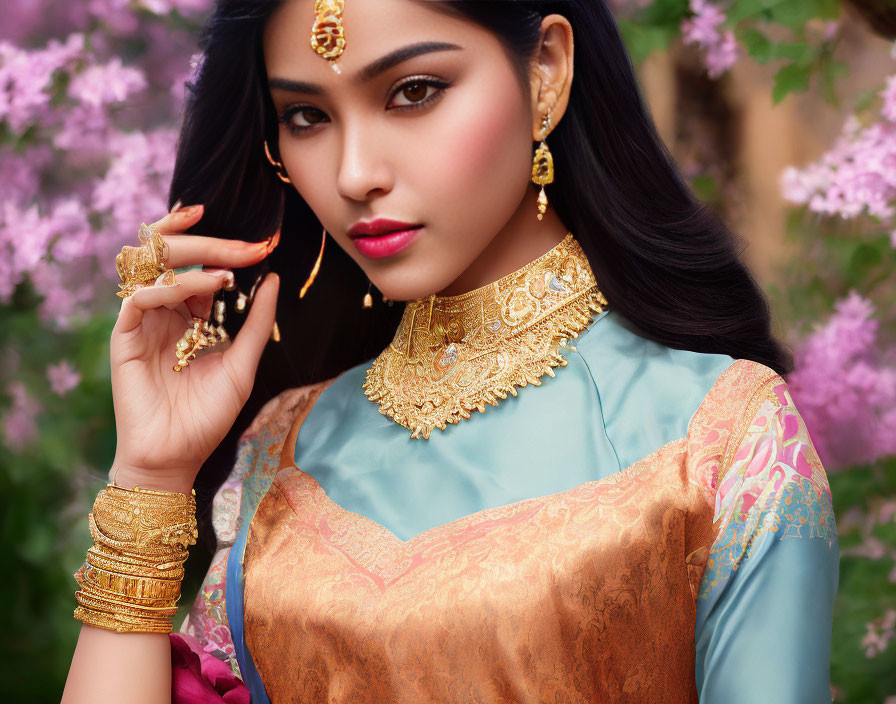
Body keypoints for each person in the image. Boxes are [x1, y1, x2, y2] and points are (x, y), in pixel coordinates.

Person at [61, 0, 840, 702]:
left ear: (546, 73)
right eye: (305, 116)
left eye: (414, 92)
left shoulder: (724, 438)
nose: (354, 173)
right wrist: (152, 477)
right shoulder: (281, 444)